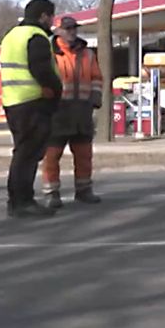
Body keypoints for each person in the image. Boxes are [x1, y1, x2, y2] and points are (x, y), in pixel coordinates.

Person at [0, 0, 62, 219]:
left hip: (13, 101)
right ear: (44, 16)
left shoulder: (12, 35)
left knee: (22, 153)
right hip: (32, 102)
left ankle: (17, 201)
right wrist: (56, 89)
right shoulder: (35, 36)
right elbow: (41, 70)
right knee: (28, 155)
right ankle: (23, 202)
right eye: (51, 16)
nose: (52, 21)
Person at [40, 16, 104, 209]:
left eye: (74, 28)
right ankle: (52, 193)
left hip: (81, 110)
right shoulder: (49, 53)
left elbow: (96, 78)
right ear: (58, 31)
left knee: (84, 153)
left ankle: (84, 190)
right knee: (52, 155)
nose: (72, 32)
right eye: (68, 29)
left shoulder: (87, 54)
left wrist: (95, 97)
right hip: (57, 111)